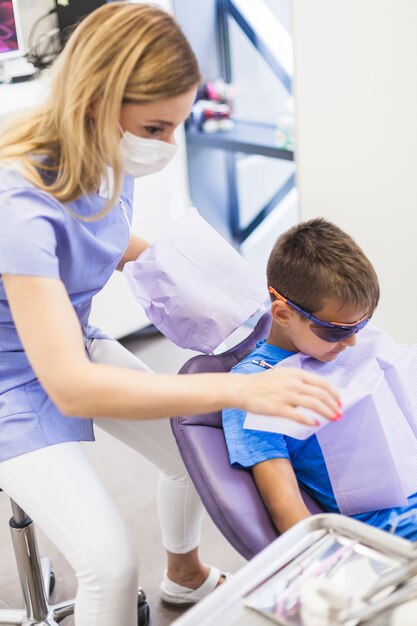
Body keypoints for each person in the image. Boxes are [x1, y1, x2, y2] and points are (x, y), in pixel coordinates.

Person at [0, 4, 340, 625]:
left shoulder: (104, 155)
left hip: (69, 340)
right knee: (109, 564)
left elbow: (94, 233)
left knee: (195, 455)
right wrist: (245, 387)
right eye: (156, 128)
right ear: (97, 99)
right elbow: (70, 387)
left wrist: (187, 272)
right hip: (11, 383)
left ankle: (185, 576)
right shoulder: (17, 201)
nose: (167, 145)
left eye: (177, 125)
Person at [223, 218, 417, 541]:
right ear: (283, 314)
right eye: (336, 330)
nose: (353, 341)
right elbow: (291, 515)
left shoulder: (356, 342)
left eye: (361, 325)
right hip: (397, 538)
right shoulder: (254, 389)